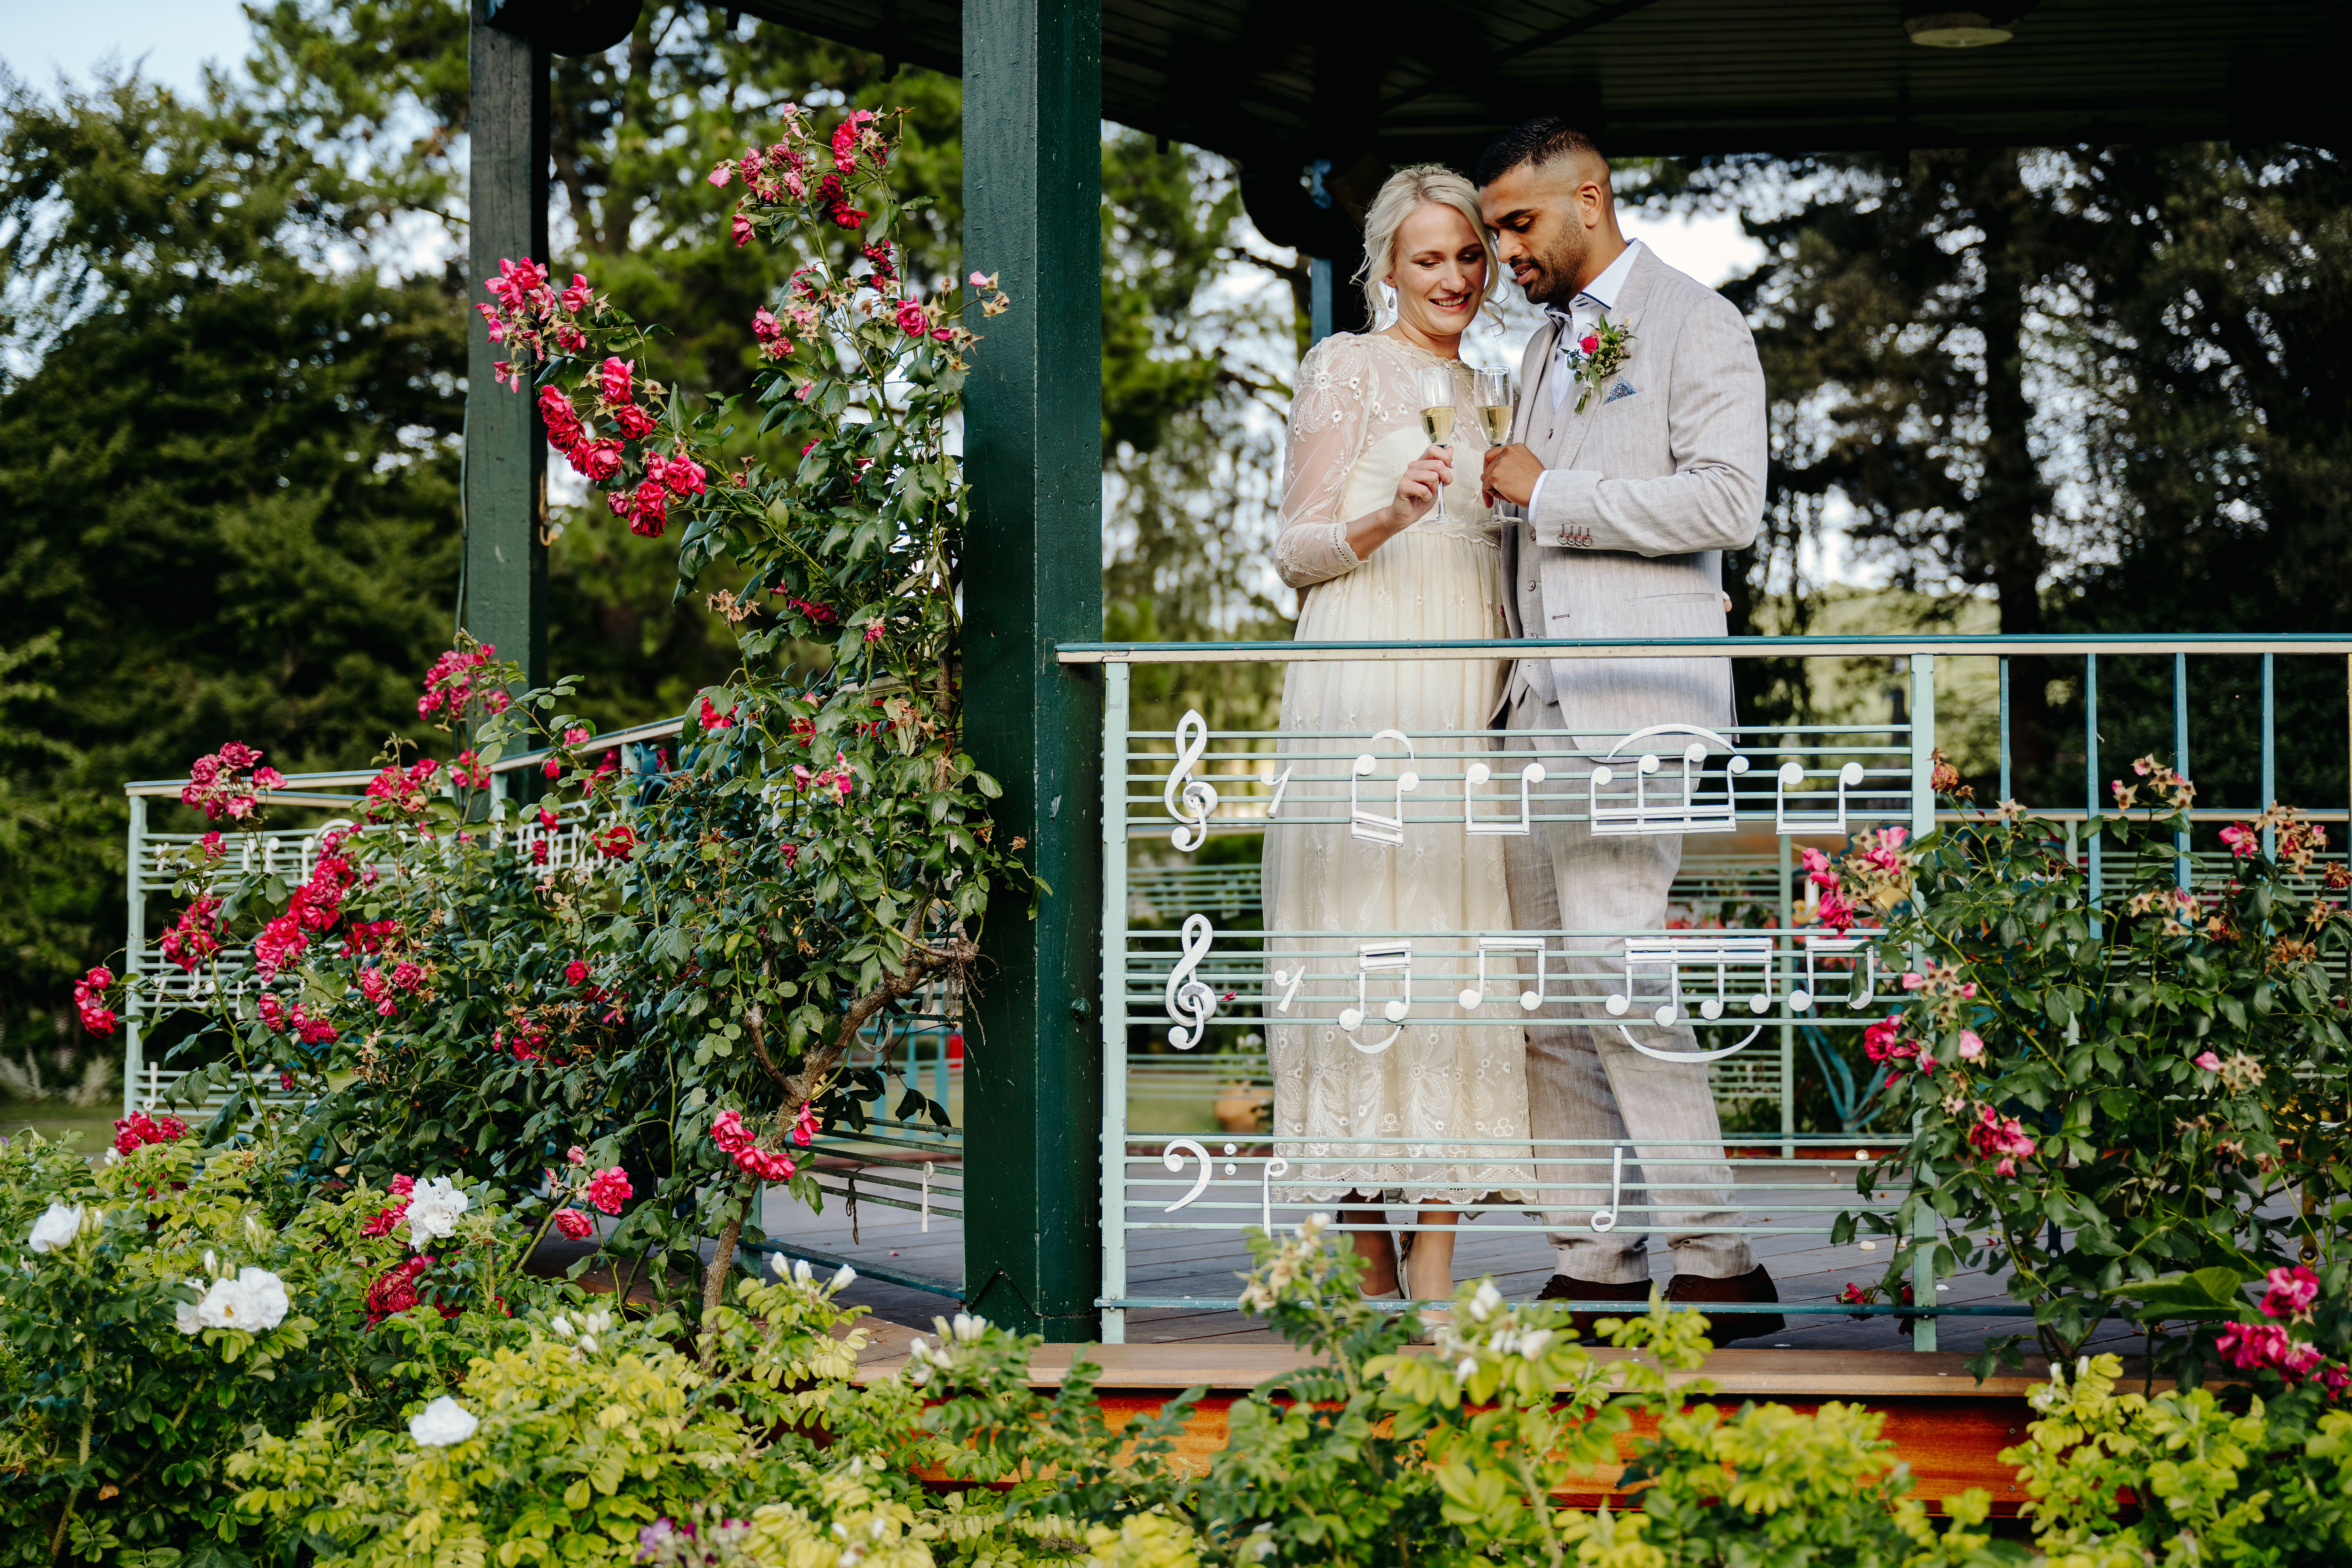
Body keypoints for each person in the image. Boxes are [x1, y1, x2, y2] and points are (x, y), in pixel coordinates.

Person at [1472, 118, 1785, 1338]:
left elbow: (1728, 499)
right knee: (1551, 996)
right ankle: (1594, 1261)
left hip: (1637, 712)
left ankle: (1719, 1261)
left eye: (1519, 223)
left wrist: (1549, 491)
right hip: (1532, 714)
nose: (1505, 251)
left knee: (1621, 969)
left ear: (1588, 199)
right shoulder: (1543, 347)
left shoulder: (1697, 321)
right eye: (1494, 228)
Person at [1263, 165, 1530, 1314]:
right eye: (1431, 258)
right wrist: (1390, 512)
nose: (1456, 278)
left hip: (1463, 690)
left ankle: (1434, 1266)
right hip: (1363, 679)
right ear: (1386, 267)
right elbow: (1295, 548)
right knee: (1357, 949)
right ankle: (1366, 1259)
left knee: (1450, 960)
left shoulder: (1501, 391)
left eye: (1469, 256)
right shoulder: (1348, 371)